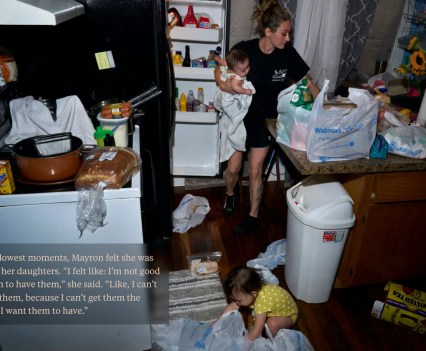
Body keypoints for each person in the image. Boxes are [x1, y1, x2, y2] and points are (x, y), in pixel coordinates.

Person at [215, 0, 320, 234]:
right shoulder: (246, 49)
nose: (288, 39)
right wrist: (226, 86)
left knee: (255, 170)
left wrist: (324, 106)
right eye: (284, 34)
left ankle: (252, 217)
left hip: (265, 122)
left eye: (289, 33)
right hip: (240, 120)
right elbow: (221, 69)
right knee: (233, 169)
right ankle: (230, 194)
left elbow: (307, 82)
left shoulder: (287, 55)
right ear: (268, 32)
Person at [222, 266, 298, 341]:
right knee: (254, 318)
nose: (236, 303)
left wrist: (242, 343)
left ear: (253, 294)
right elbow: (231, 306)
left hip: (289, 316)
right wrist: (217, 322)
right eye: (234, 299)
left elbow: (256, 332)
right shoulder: (254, 289)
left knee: (271, 324)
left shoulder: (261, 303)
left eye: (239, 300)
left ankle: (274, 341)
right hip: (280, 308)